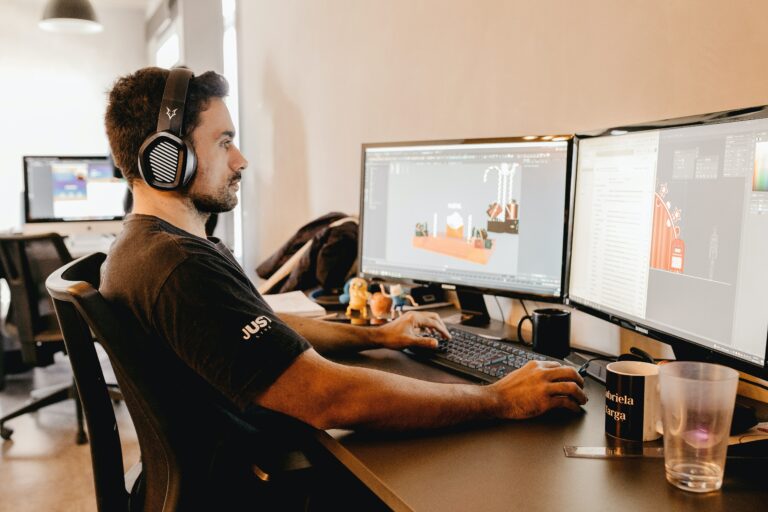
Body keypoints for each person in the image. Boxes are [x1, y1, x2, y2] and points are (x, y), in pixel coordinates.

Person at [102, 67, 587, 437]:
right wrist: (499, 398)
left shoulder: (145, 246)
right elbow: (328, 398)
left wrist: (378, 334)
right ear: (168, 159)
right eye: (224, 142)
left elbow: (266, 329)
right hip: (256, 484)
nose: (241, 160)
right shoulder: (181, 268)